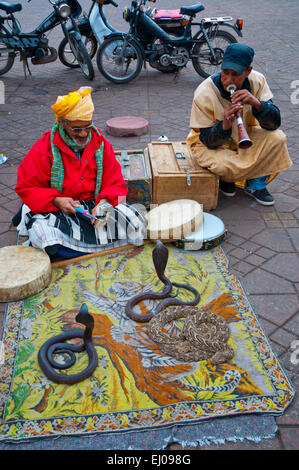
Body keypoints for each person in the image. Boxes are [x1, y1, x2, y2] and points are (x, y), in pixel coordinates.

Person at [15, 86, 145, 258]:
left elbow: (116, 183)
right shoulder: (45, 147)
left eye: (88, 127)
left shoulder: (101, 144)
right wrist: (56, 200)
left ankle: (71, 251)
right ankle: (82, 248)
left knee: (136, 220)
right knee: (42, 234)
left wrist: (104, 204)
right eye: (76, 129)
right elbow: (27, 187)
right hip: (57, 209)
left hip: (94, 207)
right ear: (63, 123)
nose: (84, 134)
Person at [187, 43, 292, 205]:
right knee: (221, 166)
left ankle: (254, 182)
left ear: (248, 71)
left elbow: (273, 123)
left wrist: (257, 104)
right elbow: (207, 140)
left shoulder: (258, 80)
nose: (228, 79)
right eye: (225, 73)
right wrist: (225, 125)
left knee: (278, 138)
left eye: (235, 75)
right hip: (211, 144)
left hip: (245, 135)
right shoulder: (204, 92)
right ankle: (226, 178)